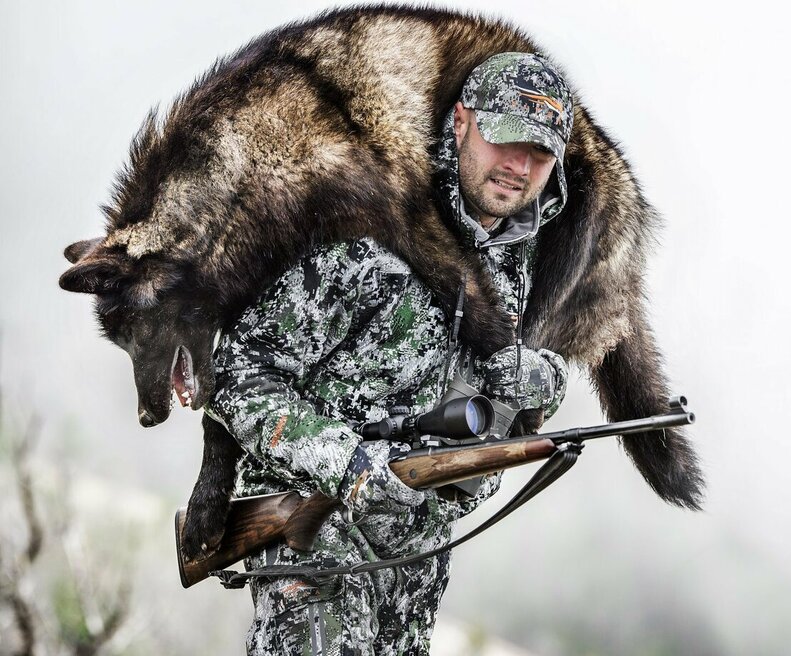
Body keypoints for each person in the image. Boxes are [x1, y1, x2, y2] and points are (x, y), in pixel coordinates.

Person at [205, 52, 574, 655]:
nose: (518, 165)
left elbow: (509, 397)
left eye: (539, 152)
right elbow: (238, 376)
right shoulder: (369, 224)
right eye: (504, 138)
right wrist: (349, 464)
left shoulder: (523, 255)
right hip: (314, 536)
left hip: (416, 563)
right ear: (460, 122)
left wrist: (543, 381)